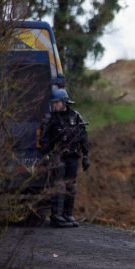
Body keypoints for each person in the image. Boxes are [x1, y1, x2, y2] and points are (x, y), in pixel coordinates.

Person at [39, 89, 89, 228]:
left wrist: (86, 156)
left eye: (57, 103)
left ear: (64, 102)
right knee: (59, 185)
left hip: (73, 156)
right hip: (58, 157)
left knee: (71, 186)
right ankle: (56, 215)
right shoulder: (50, 118)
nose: (54, 105)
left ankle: (68, 214)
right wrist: (46, 154)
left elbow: (83, 137)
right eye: (53, 103)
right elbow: (44, 139)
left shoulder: (76, 116)